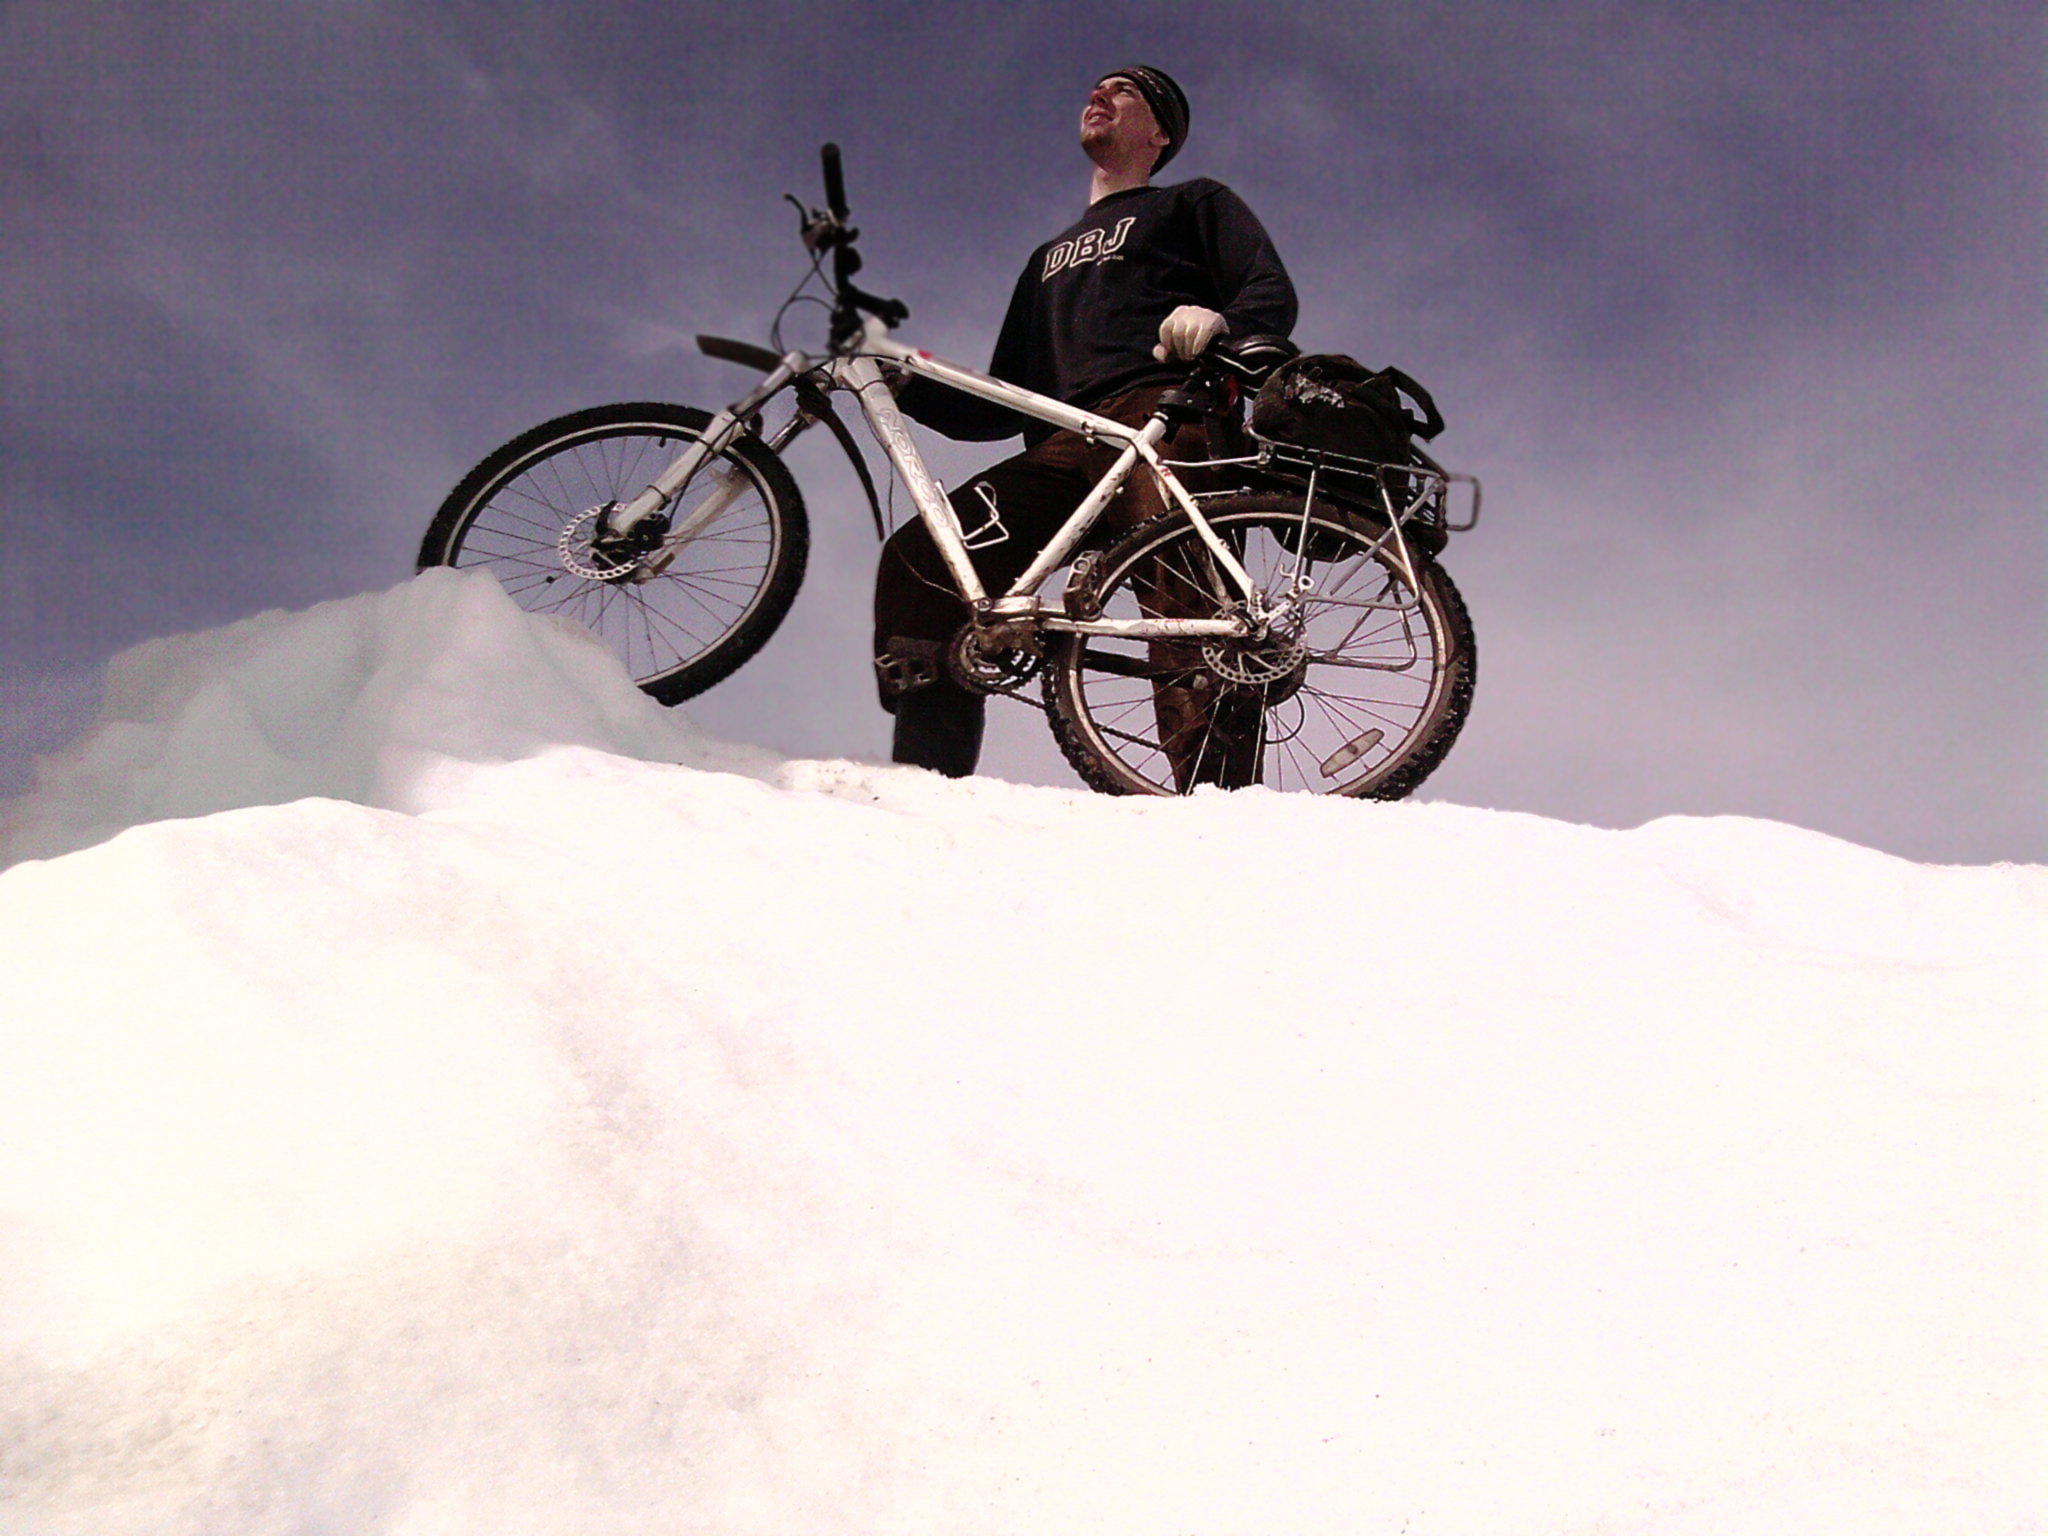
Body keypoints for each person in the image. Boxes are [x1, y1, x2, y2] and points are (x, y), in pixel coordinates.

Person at [874, 65, 1299, 780]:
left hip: (1162, 415)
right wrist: (906, 384)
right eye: (1098, 87)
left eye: (1125, 91)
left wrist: (1223, 320)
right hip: (1061, 441)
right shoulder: (1045, 261)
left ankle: (1221, 803)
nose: (1100, 95)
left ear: (1160, 134)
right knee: (926, 556)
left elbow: (1269, 290)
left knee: (1184, 596)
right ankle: (926, 785)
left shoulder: (1192, 202)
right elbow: (1001, 398)